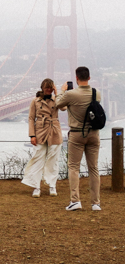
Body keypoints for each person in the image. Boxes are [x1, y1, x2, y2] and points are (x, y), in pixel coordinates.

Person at [56, 67, 101, 211]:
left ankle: (75, 201)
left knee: (74, 167)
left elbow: (58, 105)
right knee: (93, 168)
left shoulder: (71, 94)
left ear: (76, 78)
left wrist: (62, 91)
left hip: (76, 134)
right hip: (94, 134)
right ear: (89, 77)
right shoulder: (97, 93)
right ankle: (96, 204)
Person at [21, 79, 62, 197]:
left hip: (54, 129)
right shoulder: (35, 101)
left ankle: (52, 185)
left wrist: (57, 92)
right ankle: (36, 186)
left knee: (53, 159)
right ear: (42, 88)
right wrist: (32, 135)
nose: (48, 90)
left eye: (50, 88)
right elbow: (30, 118)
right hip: (40, 130)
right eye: (46, 88)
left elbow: (63, 108)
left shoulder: (56, 99)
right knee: (37, 157)